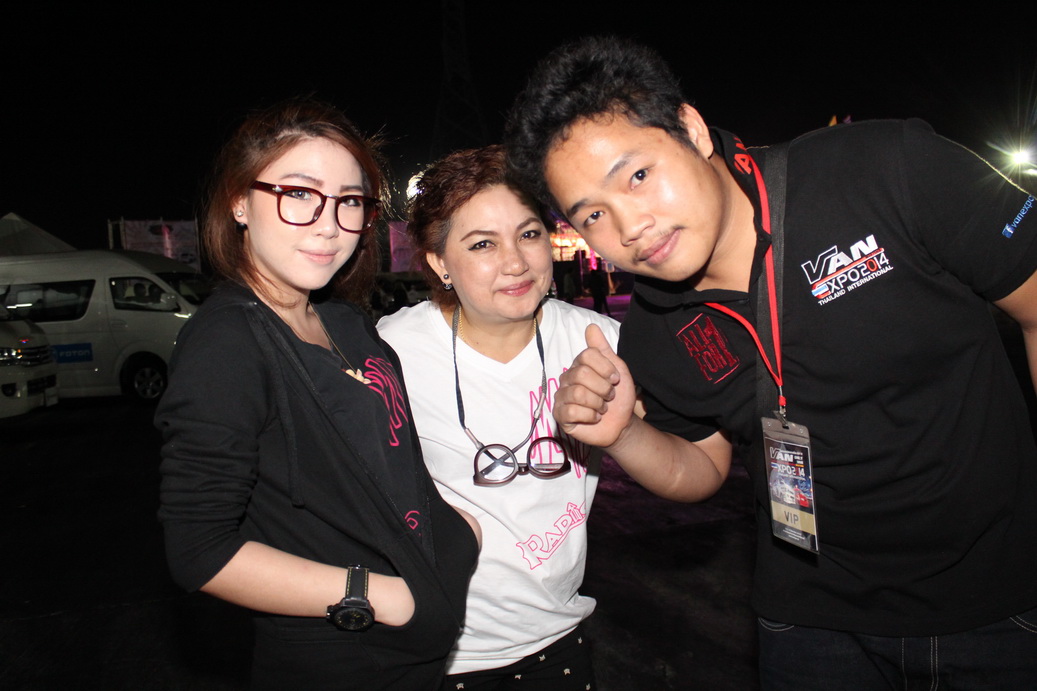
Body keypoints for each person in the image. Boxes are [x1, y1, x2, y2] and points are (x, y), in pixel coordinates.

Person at [503, 37, 1037, 689]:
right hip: (810, 624)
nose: (630, 226)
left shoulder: (884, 168)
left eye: (636, 176)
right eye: (592, 215)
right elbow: (702, 467)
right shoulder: (651, 331)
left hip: (1005, 602)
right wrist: (624, 434)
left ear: (691, 129)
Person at [156, 99, 480, 690]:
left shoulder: (343, 321)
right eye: (300, 194)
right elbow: (199, 550)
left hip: (419, 654)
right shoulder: (227, 343)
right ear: (239, 202)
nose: (329, 225)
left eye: (350, 201)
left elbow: (388, 464)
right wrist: (376, 596)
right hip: (342, 661)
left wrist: (458, 535)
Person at [378, 145, 619, 689]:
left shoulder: (598, 341)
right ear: (439, 263)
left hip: (558, 642)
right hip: (439, 654)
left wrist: (626, 430)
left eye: (528, 234)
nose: (515, 262)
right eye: (482, 243)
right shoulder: (392, 352)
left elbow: (690, 456)